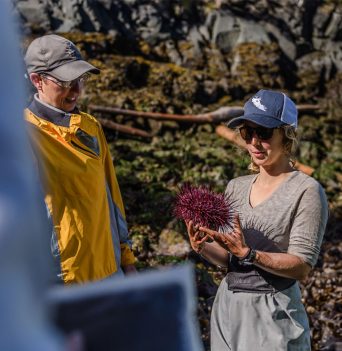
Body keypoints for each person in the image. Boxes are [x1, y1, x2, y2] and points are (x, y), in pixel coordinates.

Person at [186, 90, 328, 350]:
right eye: (246, 132)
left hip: (273, 313)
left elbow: (302, 266)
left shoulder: (306, 190)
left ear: (287, 134)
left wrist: (249, 253)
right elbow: (231, 259)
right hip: (228, 305)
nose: (254, 142)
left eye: (263, 132)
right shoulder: (235, 187)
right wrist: (202, 246)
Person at [24, 34, 136, 284]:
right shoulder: (22, 133)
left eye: (81, 79)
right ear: (37, 80)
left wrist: (127, 261)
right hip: (61, 282)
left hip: (109, 273)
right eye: (66, 81)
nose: (77, 91)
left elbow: (112, 198)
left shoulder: (90, 126)